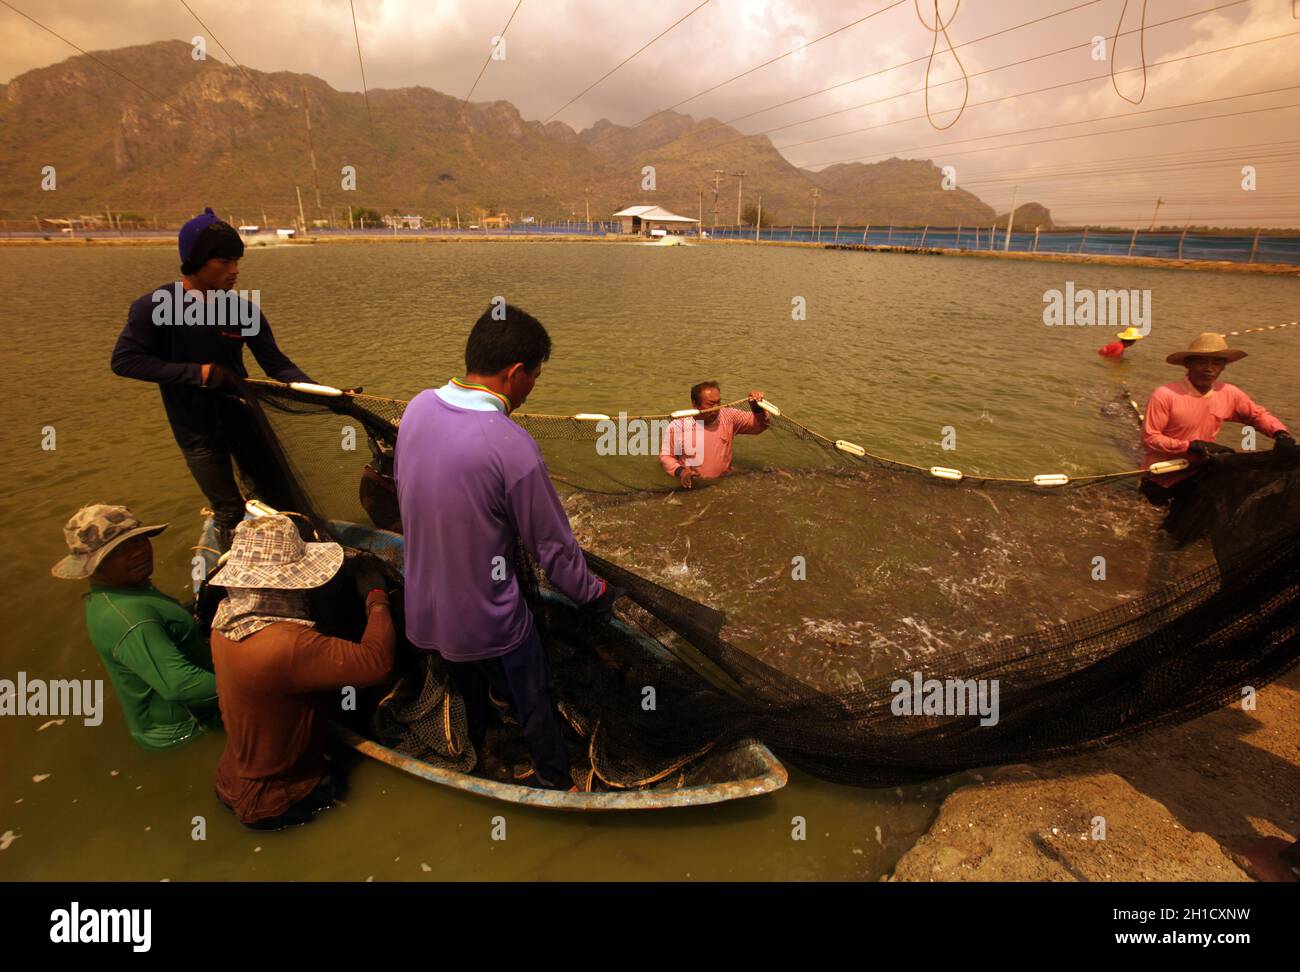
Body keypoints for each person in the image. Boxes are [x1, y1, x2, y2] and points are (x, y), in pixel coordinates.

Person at [394, 303, 620, 791]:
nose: (533, 386)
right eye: (535, 376)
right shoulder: (512, 445)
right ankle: (555, 777)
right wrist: (595, 591)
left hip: (424, 611)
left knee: (469, 679)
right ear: (516, 373)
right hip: (487, 621)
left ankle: (475, 740)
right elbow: (554, 553)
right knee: (533, 687)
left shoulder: (416, 407)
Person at [111, 207, 315, 550]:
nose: (234, 270)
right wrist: (198, 373)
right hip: (197, 432)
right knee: (229, 509)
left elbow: (277, 365)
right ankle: (228, 581)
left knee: (283, 495)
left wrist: (321, 391)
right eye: (223, 262)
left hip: (243, 418)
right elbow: (126, 361)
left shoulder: (242, 309)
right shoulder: (156, 307)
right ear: (194, 261)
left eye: (237, 260)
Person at [207, 514, 394, 830]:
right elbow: (377, 663)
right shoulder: (287, 645)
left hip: (229, 781)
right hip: (279, 800)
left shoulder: (225, 620)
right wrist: (376, 597)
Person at [52, 504, 218, 750]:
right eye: (119, 549)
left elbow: (162, 624)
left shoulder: (122, 592)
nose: (138, 551)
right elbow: (181, 685)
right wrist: (261, 681)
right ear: (95, 563)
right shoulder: (129, 618)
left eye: (138, 540)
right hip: (191, 729)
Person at [1140, 332, 1293, 509]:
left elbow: (1256, 415)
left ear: (1224, 366)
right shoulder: (1165, 395)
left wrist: (1280, 433)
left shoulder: (1229, 393)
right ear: (1188, 364)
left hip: (1200, 471)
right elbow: (1150, 438)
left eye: (1217, 362)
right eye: (1201, 362)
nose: (1209, 368)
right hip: (1163, 474)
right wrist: (1190, 446)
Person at [658, 381, 770, 488]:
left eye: (718, 402)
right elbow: (666, 456)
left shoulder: (729, 416)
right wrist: (681, 472)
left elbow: (759, 426)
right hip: (694, 484)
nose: (716, 408)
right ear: (694, 404)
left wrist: (757, 408)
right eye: (711, 404)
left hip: (724, 480)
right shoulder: (679, 425)